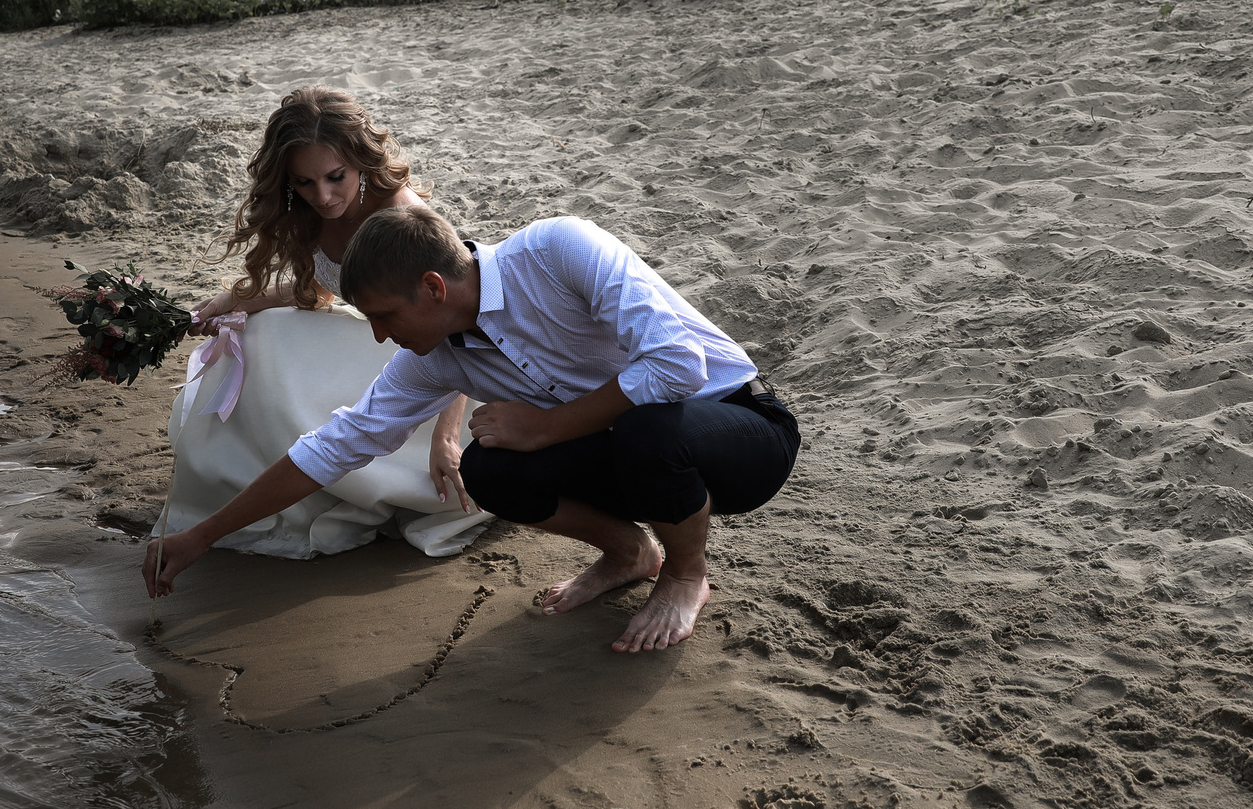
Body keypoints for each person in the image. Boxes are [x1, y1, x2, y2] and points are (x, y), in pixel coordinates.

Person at [147, 204, 799, 654]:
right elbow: (335, 445)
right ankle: (630, 553)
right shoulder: (436, 354)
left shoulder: (558, 249)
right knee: (489, 467)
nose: (375, 333)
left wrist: (550, 425)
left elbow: (678, 363)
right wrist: (202, 535)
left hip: (743, 428)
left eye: (382, 315)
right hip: (635, 455)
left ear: (433, 286)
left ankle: (685, 573)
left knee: (645, 428)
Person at [164, 90, 487, 560]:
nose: (323, 196)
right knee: (259, 335)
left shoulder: (404, 214)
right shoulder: (308, 209)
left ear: (361, 162)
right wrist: (236, 299)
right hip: (373, 334)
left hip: (434, 360)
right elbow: (320, 291)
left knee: (315, 359)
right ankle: (286, 485)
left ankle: (376, 478)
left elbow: (460, 323)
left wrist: (447, 437)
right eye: (305, 182)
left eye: (336, 178)